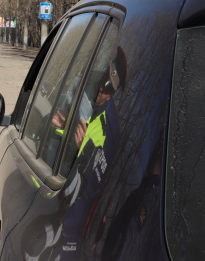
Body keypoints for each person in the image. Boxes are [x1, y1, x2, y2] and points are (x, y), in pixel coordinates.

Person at [61, 47, 127, 260]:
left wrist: (80, 150)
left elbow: (92, 188)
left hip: (69, 216)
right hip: (49, 189)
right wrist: (56, 125)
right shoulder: (79, 91)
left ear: (114, 93)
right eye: (100, 81)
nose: (100, 90)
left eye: (107, 89)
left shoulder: (109, 132)